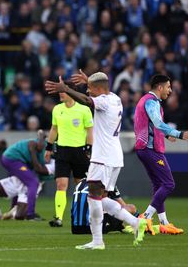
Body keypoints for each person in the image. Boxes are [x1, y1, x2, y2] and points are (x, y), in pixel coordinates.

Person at [45, 71, 147, 250]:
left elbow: (86, 101)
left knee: (93, 198)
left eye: (90, 88)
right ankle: (135, 222)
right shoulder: (115, 98)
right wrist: (88, 81)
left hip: (103, 157)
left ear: (99, 89)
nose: (87, 90)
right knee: (101, 198)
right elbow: (93, 93)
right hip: (115, 157)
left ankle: (98, 241)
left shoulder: (103, 102)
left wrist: (66, 89)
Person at [134, 74, 188, 235]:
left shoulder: (146, 101)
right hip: (150, 149)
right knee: (168, 184)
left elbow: (149, 123)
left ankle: (164, 223)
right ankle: (145, 217)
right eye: (168, 87)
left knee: (158, 185)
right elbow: (157, 122)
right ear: (159, 87)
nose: (170, 90)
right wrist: (178, 134)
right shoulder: (151, 102)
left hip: (144, 148)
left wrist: (167, 135)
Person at [46, 81, 93, 227]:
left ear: (71, 92)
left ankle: (84, 216)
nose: (60, 93)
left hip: (80, 152)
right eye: (59, 91)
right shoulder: (57, 109)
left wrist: (89, 148)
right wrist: (48, 147)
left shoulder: (84, 110)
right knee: (61, 185)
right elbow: (54, 129)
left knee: (81, 187)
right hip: (62, 152)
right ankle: (58, 218)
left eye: (63, 91)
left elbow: (90, 130)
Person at [0, 131, 55, 220]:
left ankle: (23, 213)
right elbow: (38, 147)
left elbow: (39, 170)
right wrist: (40, 140)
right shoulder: (44, 146)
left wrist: (34, 148)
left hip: (29, 183)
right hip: (17, 167)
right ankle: (0, 214)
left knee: (33, 183)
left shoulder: (57, 163)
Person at [71, 178, 138, 235]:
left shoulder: (80, 183)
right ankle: (132, 224)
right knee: (131, 208)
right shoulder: (106, 181)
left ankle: (121, 226)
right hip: (93, 227)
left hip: (75, 228)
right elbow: (123, 206)